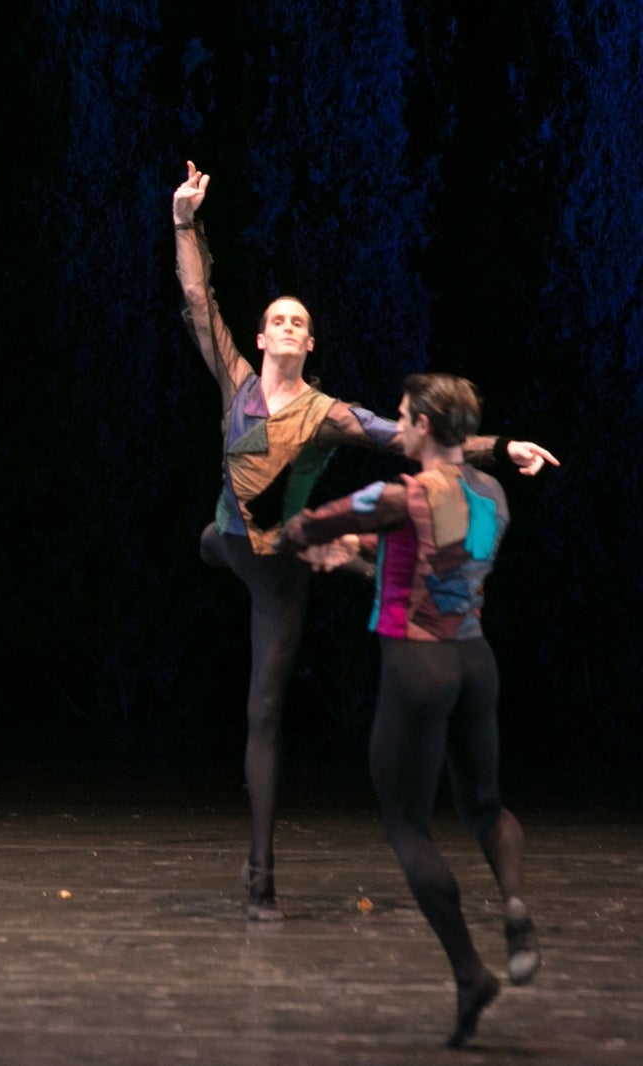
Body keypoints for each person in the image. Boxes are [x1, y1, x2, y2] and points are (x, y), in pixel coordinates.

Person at [172, 161, 558, 920]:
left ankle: (261, 876)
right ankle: (285, 552)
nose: (285, 325)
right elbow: (195, 297)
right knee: (215, 540)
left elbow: (417, 440)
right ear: (259, 336)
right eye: (275, 318)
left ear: (311, 343)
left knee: (263, 711)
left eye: (297, 321)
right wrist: (185, 219)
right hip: (231, 538)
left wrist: (502, 444)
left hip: (279, 567)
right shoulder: (236, 381)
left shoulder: (328, 413)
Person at [277, 373, 540, 1048]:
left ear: (425, 425)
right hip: (475, 663)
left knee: (406, 822)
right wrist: (360, 551)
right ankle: (512, 898)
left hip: (417, 665)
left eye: (402, 419)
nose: (398, 428)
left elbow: (315, 522)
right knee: (484, 804)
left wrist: (302, 538)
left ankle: (469, 970)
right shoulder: (495, 494)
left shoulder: (403, 493)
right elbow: (442, 554)